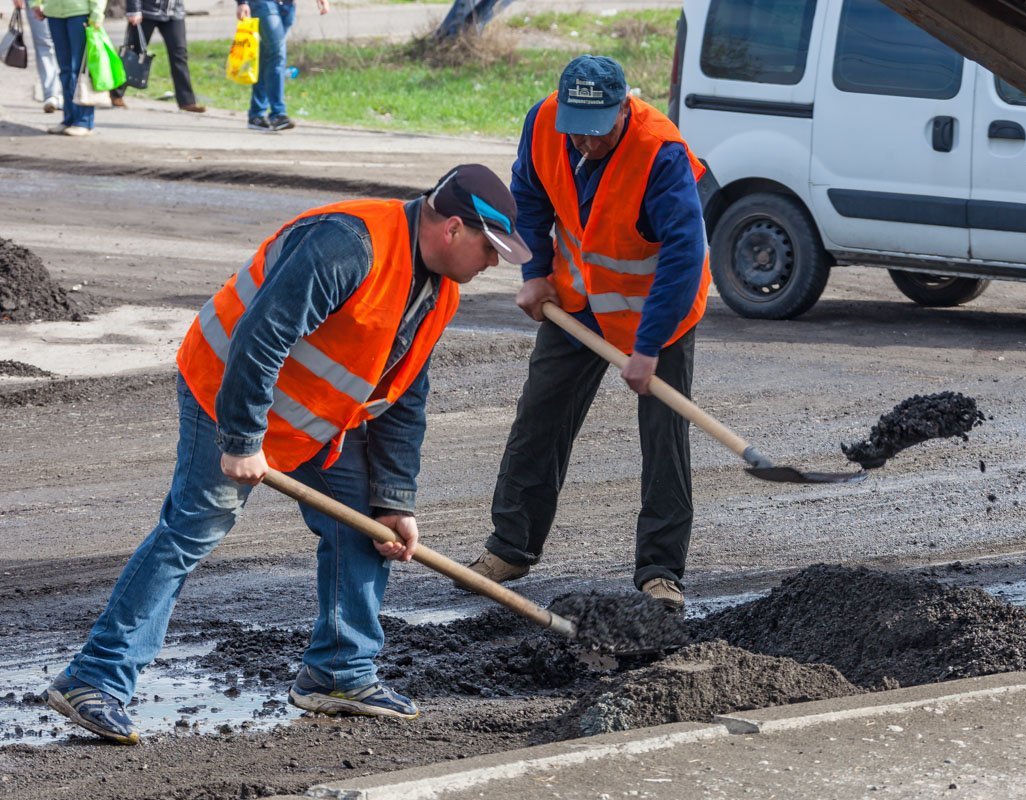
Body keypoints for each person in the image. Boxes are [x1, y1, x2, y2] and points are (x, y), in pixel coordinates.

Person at [42, 164, 532, 745]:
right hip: (227, 391)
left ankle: (338, 673)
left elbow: (403, 397)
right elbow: (260, 337)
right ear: (452, 229)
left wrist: (394, 498)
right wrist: (242, 439)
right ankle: (94, 676)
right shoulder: (348, 245)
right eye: (490, 247)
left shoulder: (439, 292)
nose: (495, 263)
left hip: (312, 422)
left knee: (364, 524)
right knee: (194, 528)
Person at [463, 55, 710, 611]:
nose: (585, 143)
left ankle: (660, 571)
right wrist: (534, 273)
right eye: (576, 129)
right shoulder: (544, 122)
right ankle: (510, 548)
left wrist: (647, 349)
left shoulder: (660, 153)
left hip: (656, 311)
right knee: (540, 416)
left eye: (597, 132)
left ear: (626, 107)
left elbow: (684, 256)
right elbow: (526, 198)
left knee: (664, 435)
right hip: (575, 301)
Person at [236, 0, 327, 132]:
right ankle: (278, 114)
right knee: (277, 54)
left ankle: (256, 114)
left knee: (269, 56)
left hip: (287, 6)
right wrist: (242, 2)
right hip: (262, 4)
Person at [109, 0, 205, 113]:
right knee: (133, 53)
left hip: (174, 12)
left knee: (180, 55)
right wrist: (134, 9)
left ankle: (187, 102)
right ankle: (116, 94)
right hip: (146, 12)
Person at [31, 0, 101, 136]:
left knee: (80, 69)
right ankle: (69, 119)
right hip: (54, 13)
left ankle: (84, 121)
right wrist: (35, 3)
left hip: (80, 12)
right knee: (65, 70)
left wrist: (97, 13)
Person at [13, 0, 60, 112]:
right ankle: (51, 94)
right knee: (44, 44)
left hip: (70, 6)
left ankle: (65, 93)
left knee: (62, 44)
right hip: (35, 3)